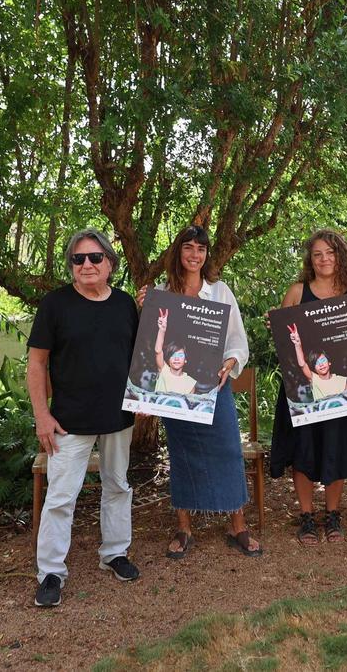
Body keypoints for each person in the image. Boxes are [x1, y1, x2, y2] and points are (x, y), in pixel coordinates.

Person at [27, 229, 140, 608]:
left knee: (118, 486)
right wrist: (42, 415)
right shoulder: (55, 305)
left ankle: (115, 553)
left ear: (110, 263)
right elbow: (37, 363)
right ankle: (51, 573)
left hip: (118, 417)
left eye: (95, 258)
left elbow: (144, 357)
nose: (87, 265)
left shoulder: (125, 304)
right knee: (60, 497)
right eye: (79, 259)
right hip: (68, 421)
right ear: (71, 266)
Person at [136, 225, 261, 558]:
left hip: (213, 388)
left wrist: (231, 360)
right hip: (175, 391)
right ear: (178, 252)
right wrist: (144, 308)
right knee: (181, 455)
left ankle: (238, 526)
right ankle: (184, 528)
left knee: (228, 451)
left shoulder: (220, 292)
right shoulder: (162, 292)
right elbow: (150, 345)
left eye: (201, 249)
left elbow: (237, 341)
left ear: (207, 256)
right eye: (188, 247)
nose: (194, 254)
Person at [270, 229, 347, 545]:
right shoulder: (297, 292)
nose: (324, 259)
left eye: (330, 252)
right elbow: (282, 342)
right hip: (303, 391)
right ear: (310, 260)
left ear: (340, 255)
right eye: (318, 254)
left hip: (342, 390)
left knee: (337, 451)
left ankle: (333, 515)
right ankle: (307, 517)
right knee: (303, 452)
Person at [289, 324, 347, 400]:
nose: (321, 364)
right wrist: (297, 344)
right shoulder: (314, 379)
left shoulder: (342, 381)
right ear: (314, 368)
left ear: (329, 362)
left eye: (323, 360)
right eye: (316, 363)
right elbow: (302, 364)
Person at [153, 309, 198, 394]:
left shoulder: (190, 382)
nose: (176, 358)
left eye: (180, 355)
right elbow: (158, 350)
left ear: (185, 360)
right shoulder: (163, 370)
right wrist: (162, 330)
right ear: (168, 359)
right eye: (173, 355)